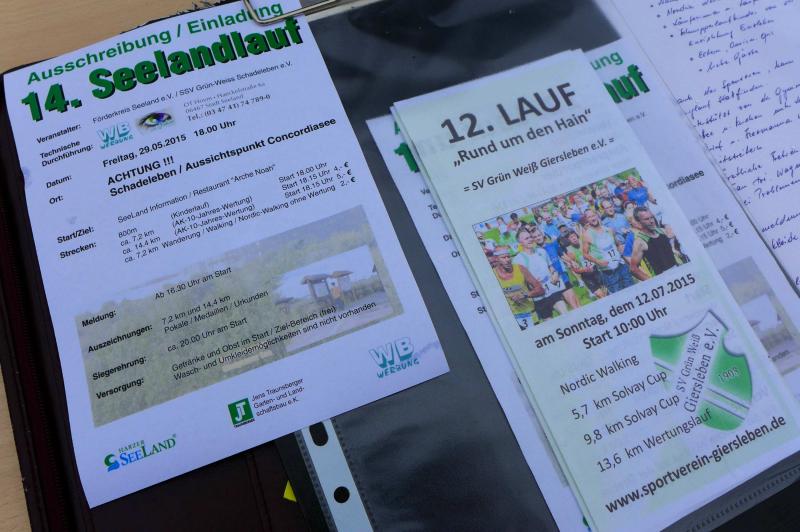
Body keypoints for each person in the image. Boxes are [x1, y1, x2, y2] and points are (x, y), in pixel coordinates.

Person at [514, 227, 571, 321]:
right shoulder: (518, 260)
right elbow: (519, 280)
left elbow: (551, 268)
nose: (530, 240)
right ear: (520, 242)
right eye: (526, 238)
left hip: (552, 290)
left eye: (530, 237)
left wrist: (555, 274)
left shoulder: (541, 251)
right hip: (539, 297)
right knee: (551, 325)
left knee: (566, 315)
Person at [580, 209, 634, 293]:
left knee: (633, 290)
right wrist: (597, 261)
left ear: (597, 216)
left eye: (593, 215)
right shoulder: (587, 235)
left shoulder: (609, 230)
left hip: (621, 266)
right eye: (589, 217)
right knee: (620, 296)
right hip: (608, 272)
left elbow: (618, 245)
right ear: (587, 220)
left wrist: (627, 259)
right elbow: (585, 254)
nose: (592, 218)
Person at [492, 246, 544, 330]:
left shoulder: (520, 268)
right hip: (510, 319)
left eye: (508, 256)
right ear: (496, 259)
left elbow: (540, 289)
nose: (507, 260)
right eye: (503, 257)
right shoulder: (492, 274)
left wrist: (525, 295)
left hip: (529, 315)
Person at [629, 207, 679, 280]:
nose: (651, 221)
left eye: (652, 217)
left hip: (678, 271)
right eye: (647, 219)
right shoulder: (640, 242)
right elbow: (633, 269)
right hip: (663, 278)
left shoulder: (662, 231)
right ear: (639, 222)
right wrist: (653, 282)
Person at [560, 232, 607, 299]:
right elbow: (575, 270)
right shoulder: (570, 252)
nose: (574, 238)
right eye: (571, 237)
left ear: (577, 236)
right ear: (568, 240)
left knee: (606, 292)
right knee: (600, 295)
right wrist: (585, 269)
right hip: (586, 275)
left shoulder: (585, 243)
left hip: (596, 270)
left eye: (574, 236)